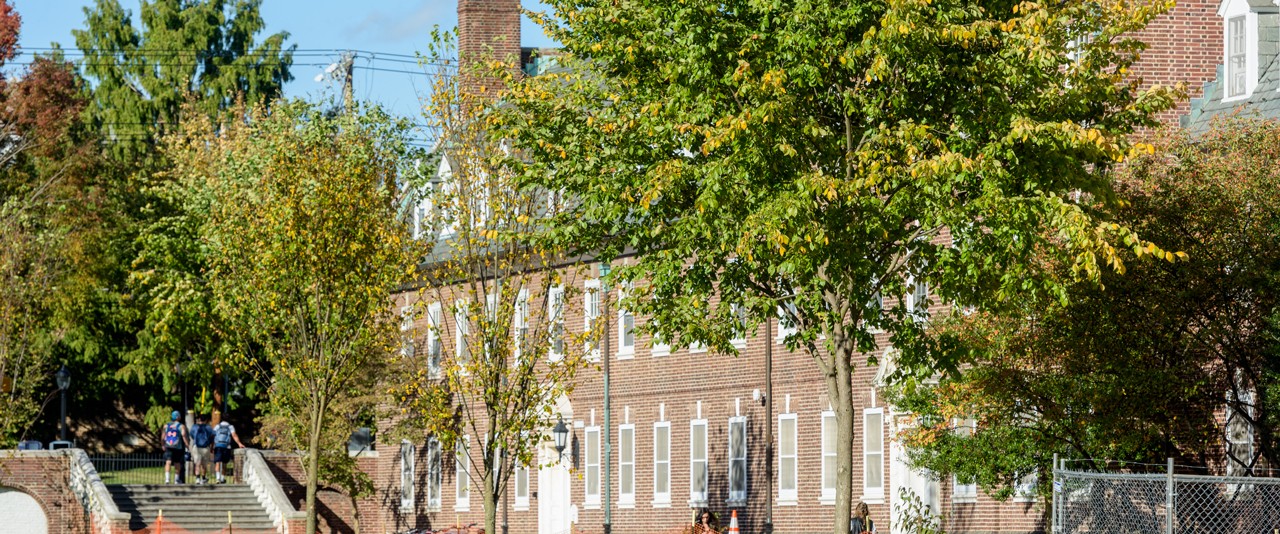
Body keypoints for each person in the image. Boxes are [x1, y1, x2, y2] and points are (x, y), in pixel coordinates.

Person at [213, 417, 246, 483]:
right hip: (226, 446)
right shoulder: (230, 427)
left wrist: (212, 446)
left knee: (218, 462)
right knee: (224, 462)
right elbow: (234, 435)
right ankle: (222, 478)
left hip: (218, 446)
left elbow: (213, 435)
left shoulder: (217, 426)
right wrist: (239, 443)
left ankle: (217, 478)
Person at [160, 410, 189, 484]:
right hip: (177, 447)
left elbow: (163, 437)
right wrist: (187, 445)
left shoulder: (166, 426)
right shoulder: (181, 426)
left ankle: (167, 479)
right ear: (178, 417)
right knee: (177, 463)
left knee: (168, 462)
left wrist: (163, 444)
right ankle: (176, 479)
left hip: (168, 445)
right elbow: (183, 436)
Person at [189, 414, 214, 484]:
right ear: (206, 420)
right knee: (204, 464)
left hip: (196, 447)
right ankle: (203, 478)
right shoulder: (208, 427)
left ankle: (197, 478)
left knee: (197, 463)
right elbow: (212, 436)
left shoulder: (194, 427)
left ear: (199, 419)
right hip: (206, 447)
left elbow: (191, 435)